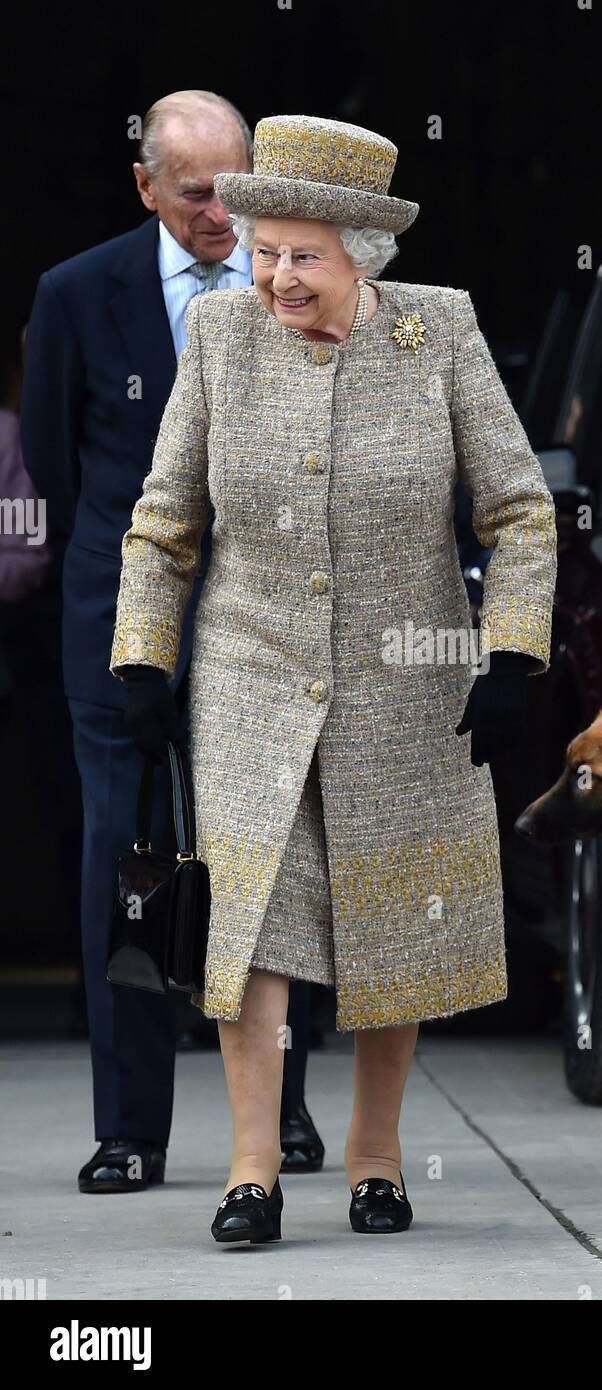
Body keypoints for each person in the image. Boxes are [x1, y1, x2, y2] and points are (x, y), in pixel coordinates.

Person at [109, 113, 557, 1242]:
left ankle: (375, 1154)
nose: (276, 276)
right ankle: (251, 1168)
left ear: (366, 251)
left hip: (410, 684)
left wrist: (512, 651)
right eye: (264, 249)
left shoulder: (440, 332)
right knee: (248, 926)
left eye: (304, 255)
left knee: (391, 922)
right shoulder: (219, 336)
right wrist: (143, 660)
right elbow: (163, 526)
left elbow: (517, 507)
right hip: (250, 680)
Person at [20, 90, 324, 1196]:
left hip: (269, 629)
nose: (220, 212)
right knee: (131, 876)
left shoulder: (293, 276)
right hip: (120, 636)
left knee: (276, 876)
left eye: (235, 185)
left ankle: (283, 1113)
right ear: (144, 184)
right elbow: (56, 468)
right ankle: (131, 1131)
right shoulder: (75, 295)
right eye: (195, 191)